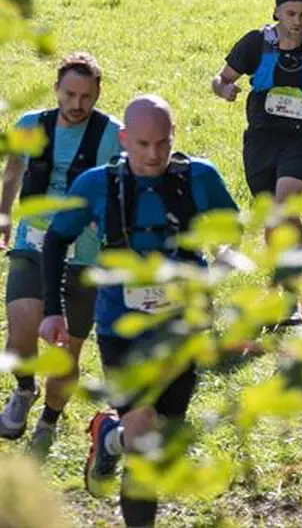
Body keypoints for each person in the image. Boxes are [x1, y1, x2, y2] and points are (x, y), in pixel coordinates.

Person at [39, 95, 239, 528]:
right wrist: (52, 310)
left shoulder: (199, 178)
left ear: (174, 139)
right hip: (121, 328)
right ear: (124, 139)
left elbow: (231, 234)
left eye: (163, 144)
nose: (153, 155)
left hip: (182, 326)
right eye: (143, 144)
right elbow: (56, 241)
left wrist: (219, 264)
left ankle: (109, 437)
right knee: (145, 443)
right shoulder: (96, 184)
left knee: (160, 439)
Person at [0, 53, 121, 456]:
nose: (77, 104)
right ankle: (23, 390)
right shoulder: (30, 125)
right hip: (33, 243)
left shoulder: (113, 136)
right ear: (56, 89)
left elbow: (122, 193)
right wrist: (3, 214)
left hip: (85, 259)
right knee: (20, 332)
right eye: (70, 94)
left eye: (86, 97)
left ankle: (48, 423)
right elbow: (14, 169)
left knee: (66, 352)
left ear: (98, 94)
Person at [211, 0, 302, 324]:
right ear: (277, 12)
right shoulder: (256, 43)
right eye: (291, 14)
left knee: (286, 207)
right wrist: (226, 90)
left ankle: (293, 296)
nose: (297, 22)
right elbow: (219, 78)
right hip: (261, 139)